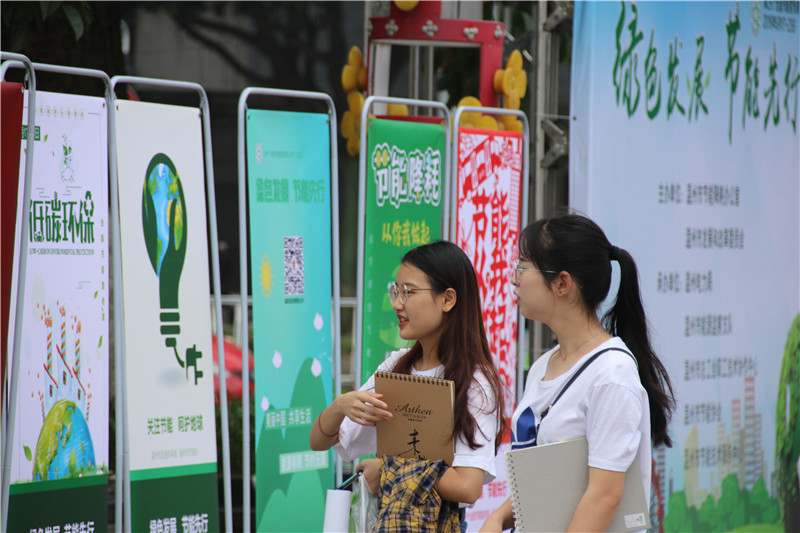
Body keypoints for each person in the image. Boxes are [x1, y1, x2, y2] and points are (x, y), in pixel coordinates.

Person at [480, 213, 675, 533]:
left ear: (562, 283)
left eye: (523, 266)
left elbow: (604, 495)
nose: (515, 279)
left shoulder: (611, 375)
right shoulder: (543, 366)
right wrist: (498, 518)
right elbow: (544, 479)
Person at [309, 240, 507, 528]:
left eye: (408, 292)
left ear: (448, 299)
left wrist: (388, 471)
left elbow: (467, 486)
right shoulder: (395, 367)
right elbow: (318, 441)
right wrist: (340, 406)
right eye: (396, 291)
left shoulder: (474, 381)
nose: (397, 304)